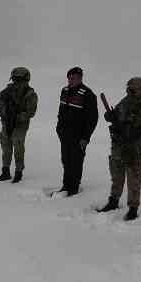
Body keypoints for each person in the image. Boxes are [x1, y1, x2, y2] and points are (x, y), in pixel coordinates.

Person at [99, 76, 141, 219]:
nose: (128, 92)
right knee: (116, 176)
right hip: (118, 146)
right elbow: (117, 116)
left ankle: (133, 208)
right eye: (128, 89)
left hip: (134, 151)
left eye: (131, 90)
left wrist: (136, 147)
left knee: (134, 180)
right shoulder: (125, 103)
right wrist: (111, 116)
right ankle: (113, 201)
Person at [54, 67, 100, 196]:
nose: (70, 80)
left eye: (73, 78)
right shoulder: (65, 91)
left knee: (76, 161)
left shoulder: (88, 94)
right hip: (64, 134)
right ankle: (66, 185)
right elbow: (61, 112)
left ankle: (73, 188)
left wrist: (86, 137)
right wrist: (59, 128)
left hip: (79, 136)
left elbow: (92, 119)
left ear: (80, 78)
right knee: (65, 160)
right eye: (69, 77)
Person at [0, 67, 38, 182]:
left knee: (18, 145)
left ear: (26, 80)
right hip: (7, 122)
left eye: (19, 80)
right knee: (6, 146)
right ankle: (5, 171)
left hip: (20, 125)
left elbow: (30, 112)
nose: (16, 83)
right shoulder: (8, 90)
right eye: (14, 80)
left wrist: (17, 116)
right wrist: (4, 108)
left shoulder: (30, 94)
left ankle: (18, 172)